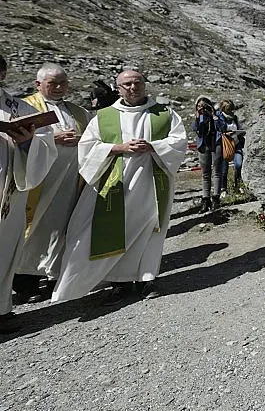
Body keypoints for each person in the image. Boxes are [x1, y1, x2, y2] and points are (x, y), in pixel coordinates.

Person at [52, 69, 187, 303]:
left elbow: (179, 141)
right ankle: (121, 282)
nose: (133, 87)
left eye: (137, 82)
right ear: (118, 88)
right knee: (117, 230)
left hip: (152, 182)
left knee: (149, 228)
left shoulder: (165, 113)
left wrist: (153, 146)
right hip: (115, 183)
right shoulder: (104, 116)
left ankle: (147, 279)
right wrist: (119, 148)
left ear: (144, 84)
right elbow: (87, 147)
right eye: (127, 84)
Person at [15, 63, 90, 303]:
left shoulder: (78, 112)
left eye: (63, 83)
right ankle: (25, 283)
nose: (59, 87)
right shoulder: (24, 107)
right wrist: (51, 137)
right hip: (37, 180)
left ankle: (54, 277)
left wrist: (81, 139)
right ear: (38, 84)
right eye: (52, 83)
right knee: (32, 228)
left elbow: (92, 139)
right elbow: (12, 137)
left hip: (69, 179)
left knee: (62, 226)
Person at [0, 55, 57, 333]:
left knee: (6, 247)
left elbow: (46, 144)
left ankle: (1, 309)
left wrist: (27, 144)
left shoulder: (19, 108)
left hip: (9, 190)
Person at [192, 96, 226, 211]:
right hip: (204, 145)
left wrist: (214, 116)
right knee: (205, 173)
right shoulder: (199, 116)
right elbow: (195, 129)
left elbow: (223, 127)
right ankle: (205, 199)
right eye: (200, 106)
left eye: (204, 105)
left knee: (217, 171)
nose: (202, 108)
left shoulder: (217, 114)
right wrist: (197, 118)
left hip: (216, 144)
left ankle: (216, 198)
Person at [217, 99, 245, 193]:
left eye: (231, 109)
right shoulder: (219, 118)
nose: (230, 111)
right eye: (228, 109)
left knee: (238, 164)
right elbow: (220, 130)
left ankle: (238, 186)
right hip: (226, 145)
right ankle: (223, 189)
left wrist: (240, 133)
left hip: (236, 144)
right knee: (224, 169)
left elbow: (239, 128)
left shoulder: (235, 118)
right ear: (223, 109)